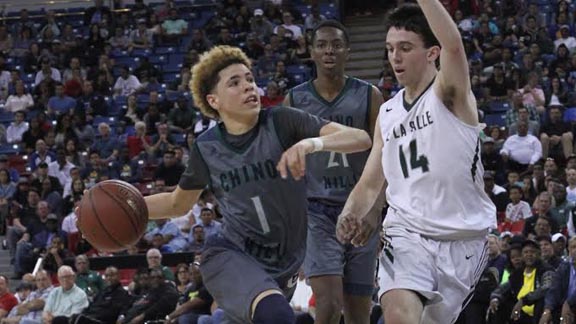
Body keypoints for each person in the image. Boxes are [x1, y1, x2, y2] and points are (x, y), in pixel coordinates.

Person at [142, 45, 371, 323]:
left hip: (282, 265)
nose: (249, 87)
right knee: (276, 315)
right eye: (235, 83)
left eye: (250, 79)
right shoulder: (207, 147)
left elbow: (360, 138)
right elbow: (177, 203)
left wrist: (312, 143)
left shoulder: (282, 121)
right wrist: (132, 208)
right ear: (214, 101)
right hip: (231, 254)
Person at [336, 2, 497, 324]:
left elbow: (454, 44)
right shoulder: (388, 113)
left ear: (432, 52)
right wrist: (349, 213)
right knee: (398, 314)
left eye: (405, 48)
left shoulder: (450, 94)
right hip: (405, 232)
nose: (395, 57)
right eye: (390, 48)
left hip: (462, 238)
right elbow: (370, 183)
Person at [285, 20, 383, 324]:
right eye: (322, 45)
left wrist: (375, 210)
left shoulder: (370, 96)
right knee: (327, 305)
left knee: (358, 313)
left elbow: (384, 158)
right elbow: (286, 165)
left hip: (360, 209)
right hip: (316, 212)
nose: (329, 50)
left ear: (348, 52)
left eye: (336, 45)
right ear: (312, 52)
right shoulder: (294, 100)